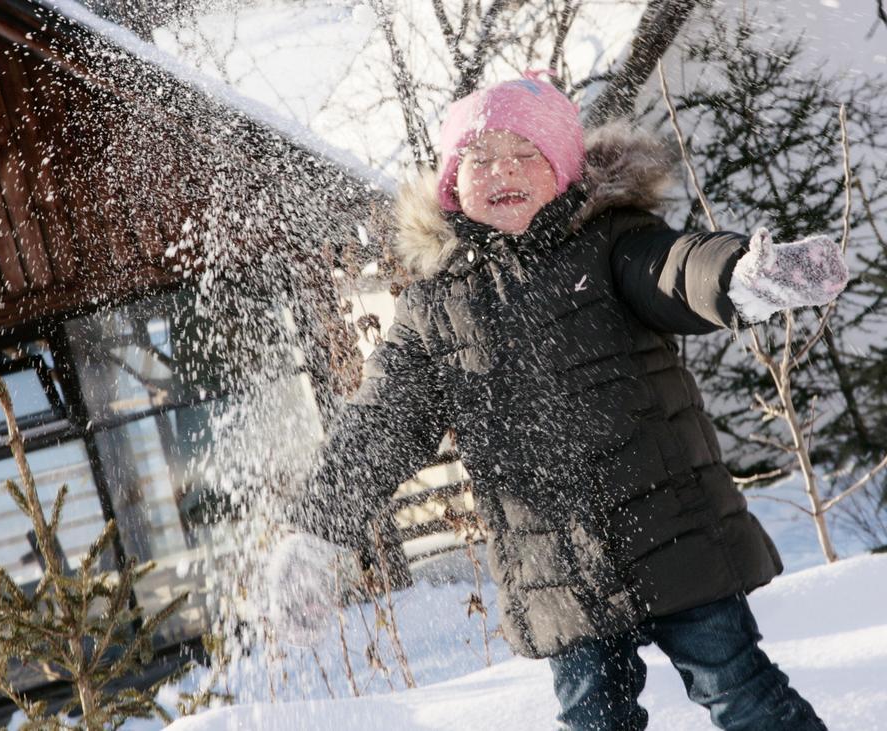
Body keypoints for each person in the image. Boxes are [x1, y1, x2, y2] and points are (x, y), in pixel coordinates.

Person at [268, 71, 846, 730]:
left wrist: (743, 278)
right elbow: (381, 420)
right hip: (558, 569)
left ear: (566, 172)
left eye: (526, 155)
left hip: (671, 533)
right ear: (452, 184)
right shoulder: (435, 308)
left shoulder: (614, 243)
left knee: (741, 689)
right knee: (593, 720)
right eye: (479, 159)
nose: (501, 171)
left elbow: (679, 270)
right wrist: (316, 532)